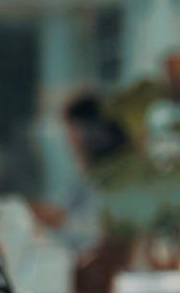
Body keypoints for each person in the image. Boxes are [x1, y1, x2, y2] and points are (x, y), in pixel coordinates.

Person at [29, 91, 127, 260]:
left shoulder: (115, 179)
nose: (70, 139)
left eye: (72, 130)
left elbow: (99, 235)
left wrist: (59, 220)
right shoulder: (83, 178)